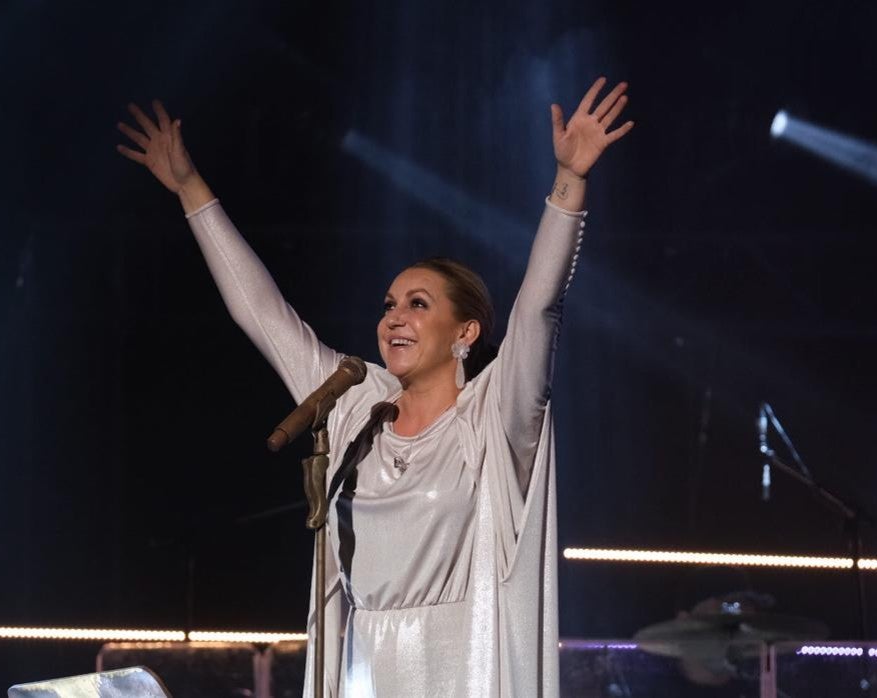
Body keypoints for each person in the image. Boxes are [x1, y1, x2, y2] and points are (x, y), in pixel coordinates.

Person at [117, 77, 633, 697]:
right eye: (389, 304)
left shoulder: (494, 414)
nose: (394, 317)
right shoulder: (352, 404)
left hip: (460, 668)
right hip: (362, 668)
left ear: (465, 331)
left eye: (418, 304)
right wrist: (189, 189)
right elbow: (261, 312)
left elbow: (537, 309)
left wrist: (569, 182)